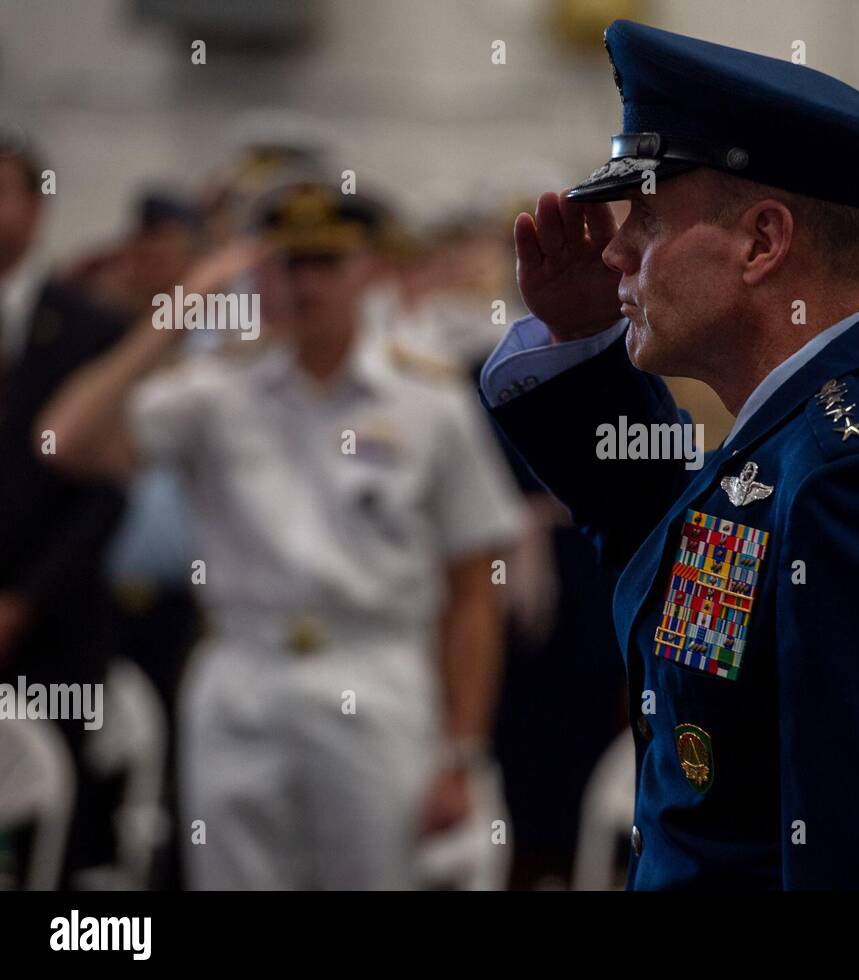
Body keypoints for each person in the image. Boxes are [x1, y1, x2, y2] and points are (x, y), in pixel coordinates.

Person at [479, 20, 859, 889]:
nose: (612, 250)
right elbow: (701, 565)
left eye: (646, 216)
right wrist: (585, 345)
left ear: (762, 243)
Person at [40, 181, 523, 889]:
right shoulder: (216, 393)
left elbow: (474, 593)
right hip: (242, 670)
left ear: (367, 269)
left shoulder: (428, 400)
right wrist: (178, 310)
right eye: (287, 264)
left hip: (373, 673)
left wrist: (462, 754)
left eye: (326, 263)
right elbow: (63, 440)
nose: (305, 284)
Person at [0, 133, 129, 884]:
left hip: (53, 623)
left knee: (60, 828)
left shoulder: (89, 328)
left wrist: (23, 600)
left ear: (38, 207)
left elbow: (106, 493)